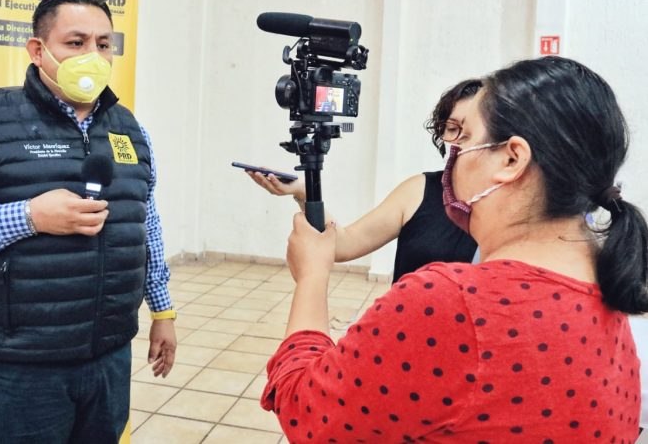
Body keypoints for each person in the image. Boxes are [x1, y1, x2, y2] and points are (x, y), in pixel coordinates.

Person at [261, 56, 647, 442]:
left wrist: (311, 277)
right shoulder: (611, 287)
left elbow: (307, 411)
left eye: (467, 138)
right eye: (452, 134)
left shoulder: (449, 301)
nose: (455, 155)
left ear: (512, 159)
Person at [0, 0, 177, 443]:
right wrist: (30, 216)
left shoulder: (130, 129)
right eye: (76, 42)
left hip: (108, 356)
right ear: (37, 49)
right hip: (21, 367)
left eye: (103, 44)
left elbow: (144, 223)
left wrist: (163, 310)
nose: (93, 56)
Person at [248, 80, 480, 282]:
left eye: (473, 131)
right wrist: (304, 193)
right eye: (452, 128)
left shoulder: (499, 207)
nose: (461, 140)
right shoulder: (418, 190)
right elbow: (345, 243)